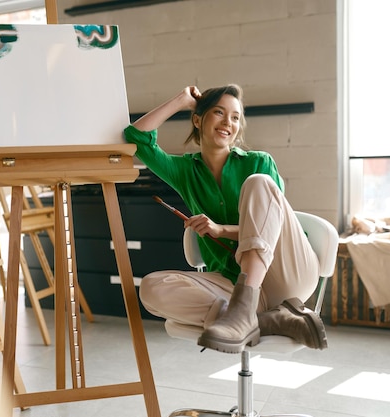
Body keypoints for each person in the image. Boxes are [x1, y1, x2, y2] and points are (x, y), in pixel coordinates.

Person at [123, 85, 327, 354]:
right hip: (231, 281)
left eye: (234, 117)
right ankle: (264, 319)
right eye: (219, 113)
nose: (227, 123)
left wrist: (221, 230)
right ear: (198, 119)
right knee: (151, 288)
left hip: (286, 274)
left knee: (258, 183)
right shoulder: (185, 171)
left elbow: (271, 228)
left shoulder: (258, 162)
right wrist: (183, 100)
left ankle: (244, 313)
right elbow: (135, 136)